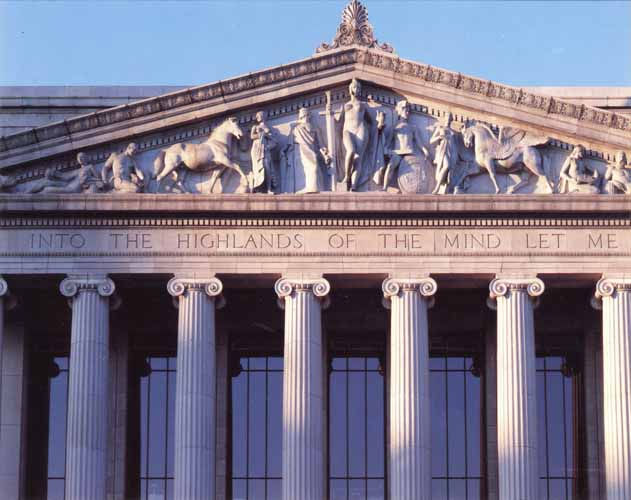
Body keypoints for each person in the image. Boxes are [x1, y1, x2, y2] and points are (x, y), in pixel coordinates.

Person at [381, 100, 429, 190]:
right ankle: (385, 187)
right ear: (399, 111)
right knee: (390, 167)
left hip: (410, 153)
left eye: (408, 110)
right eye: (404, 109)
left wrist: (425, 150)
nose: (407, 112)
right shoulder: (395, 127)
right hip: (398, 152)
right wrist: (386, 150)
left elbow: (419, 142)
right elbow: (387, 143)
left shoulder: (413, 127)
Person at [338, 78, 375, 191]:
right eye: (355, 87)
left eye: (359, 87)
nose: (357, 89)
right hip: (348, 130)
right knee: (351, 151)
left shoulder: (363, 105)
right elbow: (338, 120)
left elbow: (370, 120)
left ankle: (354, 185)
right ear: (350, 89)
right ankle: (347, 175)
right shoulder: (345, 105)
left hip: (361, 129)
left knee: (359, 158)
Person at [284, 108, 331, 194]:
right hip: (302, 150)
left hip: (310, 149)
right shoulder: (296, 129)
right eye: (303, 115)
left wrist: (325, 152)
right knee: (309, 167)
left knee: (313, 166)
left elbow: (320, 143)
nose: (305, 117)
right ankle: (309, 187)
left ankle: (313, 187)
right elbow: (289, 143)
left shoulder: (313, 128)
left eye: (306, 115)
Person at [28, 152, 103, 194]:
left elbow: (98, 178)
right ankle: (26, 193)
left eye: (82, 157)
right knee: (45, 182)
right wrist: (54, 173)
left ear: (86, 158)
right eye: (78, 157)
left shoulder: (90, 167)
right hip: (67, 185)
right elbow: (66, 177)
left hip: (72, 189)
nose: (80, 159)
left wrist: (90, 179)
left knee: (48, 190)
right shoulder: (77, 170)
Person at [430, 112, 459, 194]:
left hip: (452, 151)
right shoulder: (440, 128)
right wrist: (439, 137)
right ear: (444, 118)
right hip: (443, 150)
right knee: (446, 165)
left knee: (450, 172)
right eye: (446, 117)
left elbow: (457, 144)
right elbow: (431, 141)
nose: (448, 119)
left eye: (450, 118)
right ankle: (437, 187)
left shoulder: (453, 132)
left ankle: (445, 189)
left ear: (451, 120)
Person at [250, 111, 278, 193]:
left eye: (259, 115)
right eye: (256, 116)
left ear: (263, 116)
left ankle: (269, 189)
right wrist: (261, 135)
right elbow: (251, 136)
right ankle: (258, 187)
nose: (257, 117)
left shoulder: (268, 128)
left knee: (267, 168)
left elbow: (274, 140)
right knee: (258, 168)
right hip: (256, 149)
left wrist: (268, 146)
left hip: (265, 149)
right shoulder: (255, 127)